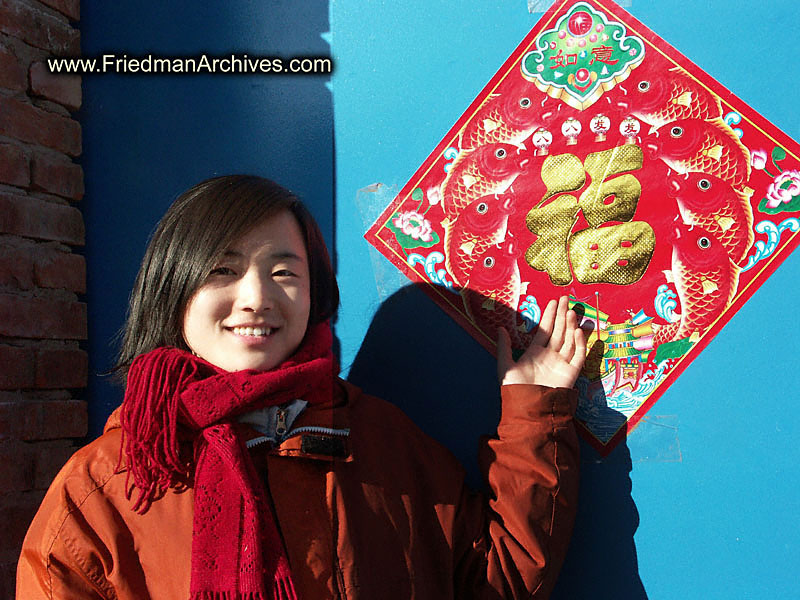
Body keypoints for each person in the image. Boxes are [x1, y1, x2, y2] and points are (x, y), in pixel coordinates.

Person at [17, 175, 586, 599]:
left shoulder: (380, 441)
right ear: (174, 287)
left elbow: (498, 579)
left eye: (284, 272)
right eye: (223, 270)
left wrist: (536, 409)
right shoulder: (112, 480)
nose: (257, 297)